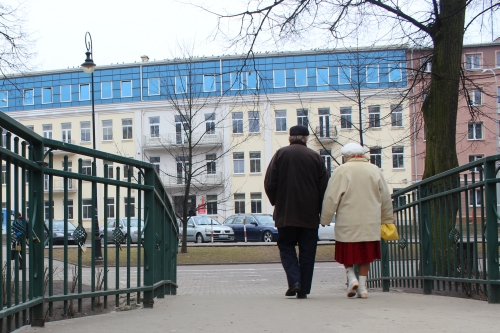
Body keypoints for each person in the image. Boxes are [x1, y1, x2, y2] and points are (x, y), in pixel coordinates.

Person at [320, 142, 394, 298]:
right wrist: (387, 219)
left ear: (347, 156)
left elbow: (331, 197)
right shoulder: (375, 170)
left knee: (347, 252)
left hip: (348, 221)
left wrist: (325, 218)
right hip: (370, 221)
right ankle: (362, 287)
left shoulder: (341, 171)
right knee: (366, 254)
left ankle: (351, 277)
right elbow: (385, 197)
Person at [264, 125, 328, 299]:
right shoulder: (315, 157)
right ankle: (304, 289)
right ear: (306, 138)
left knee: (286, 247)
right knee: (308, 251)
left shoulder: (280, 154)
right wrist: (320, 209)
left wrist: (277, 202)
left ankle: (294, 281)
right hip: (309, 215)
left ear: (290, 138)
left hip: (286, 213)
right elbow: (324, 187)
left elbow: (269, 182)